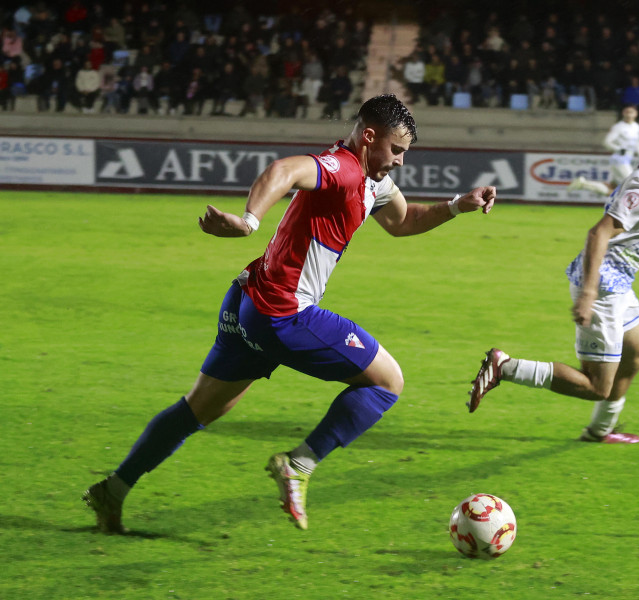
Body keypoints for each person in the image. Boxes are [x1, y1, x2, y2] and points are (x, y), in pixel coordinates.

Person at [83, 94, 497, 534]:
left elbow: (404, 221)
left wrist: (457, 205)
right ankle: (298, 465)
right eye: (395, 150)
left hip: (247, 301)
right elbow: (284, 171)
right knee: (388, 381)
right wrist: (249, 221)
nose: (398, 161)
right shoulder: (344, 168)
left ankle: (115, 488)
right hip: (284, 313)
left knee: (199, 409)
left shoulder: (372, 182)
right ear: (369, 136)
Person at [468, 113, 639, 443]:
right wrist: (588, 292)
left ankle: (599, 431)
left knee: (637, 354)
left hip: (619, 283)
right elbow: (598, 232)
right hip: (602, 284)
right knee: (597, 386)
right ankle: (506, 367)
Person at [569, 104, 639, 196]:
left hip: (627, 159)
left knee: (612, 188)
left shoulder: (637, 127)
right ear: (623, 113)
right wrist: (619, 149)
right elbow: (607, 142)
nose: (629, 115)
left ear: (636, 114)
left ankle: (583, 184)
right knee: (632, 184)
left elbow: (637, 143)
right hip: (619, 159)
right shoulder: (619, 127)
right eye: (627, 112)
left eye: (631, 112)